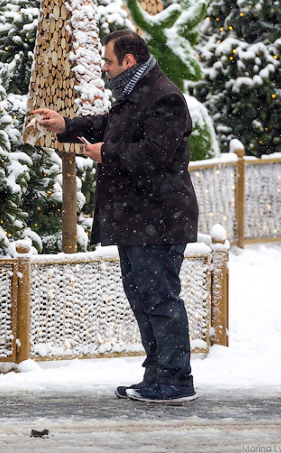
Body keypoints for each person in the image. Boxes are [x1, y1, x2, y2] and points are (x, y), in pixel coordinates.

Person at [32, 30, 198, 404]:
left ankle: (176, 379)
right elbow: (111, 125)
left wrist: (107, 153)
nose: (104, 68)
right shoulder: (136, 94)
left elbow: (157, 154)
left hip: (159, 218)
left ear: (128, 61)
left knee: (160, 299)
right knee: (142, 298)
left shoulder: (165, 97)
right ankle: (157, 374)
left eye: (108, 61)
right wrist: (67, 126)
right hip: (139, 219)